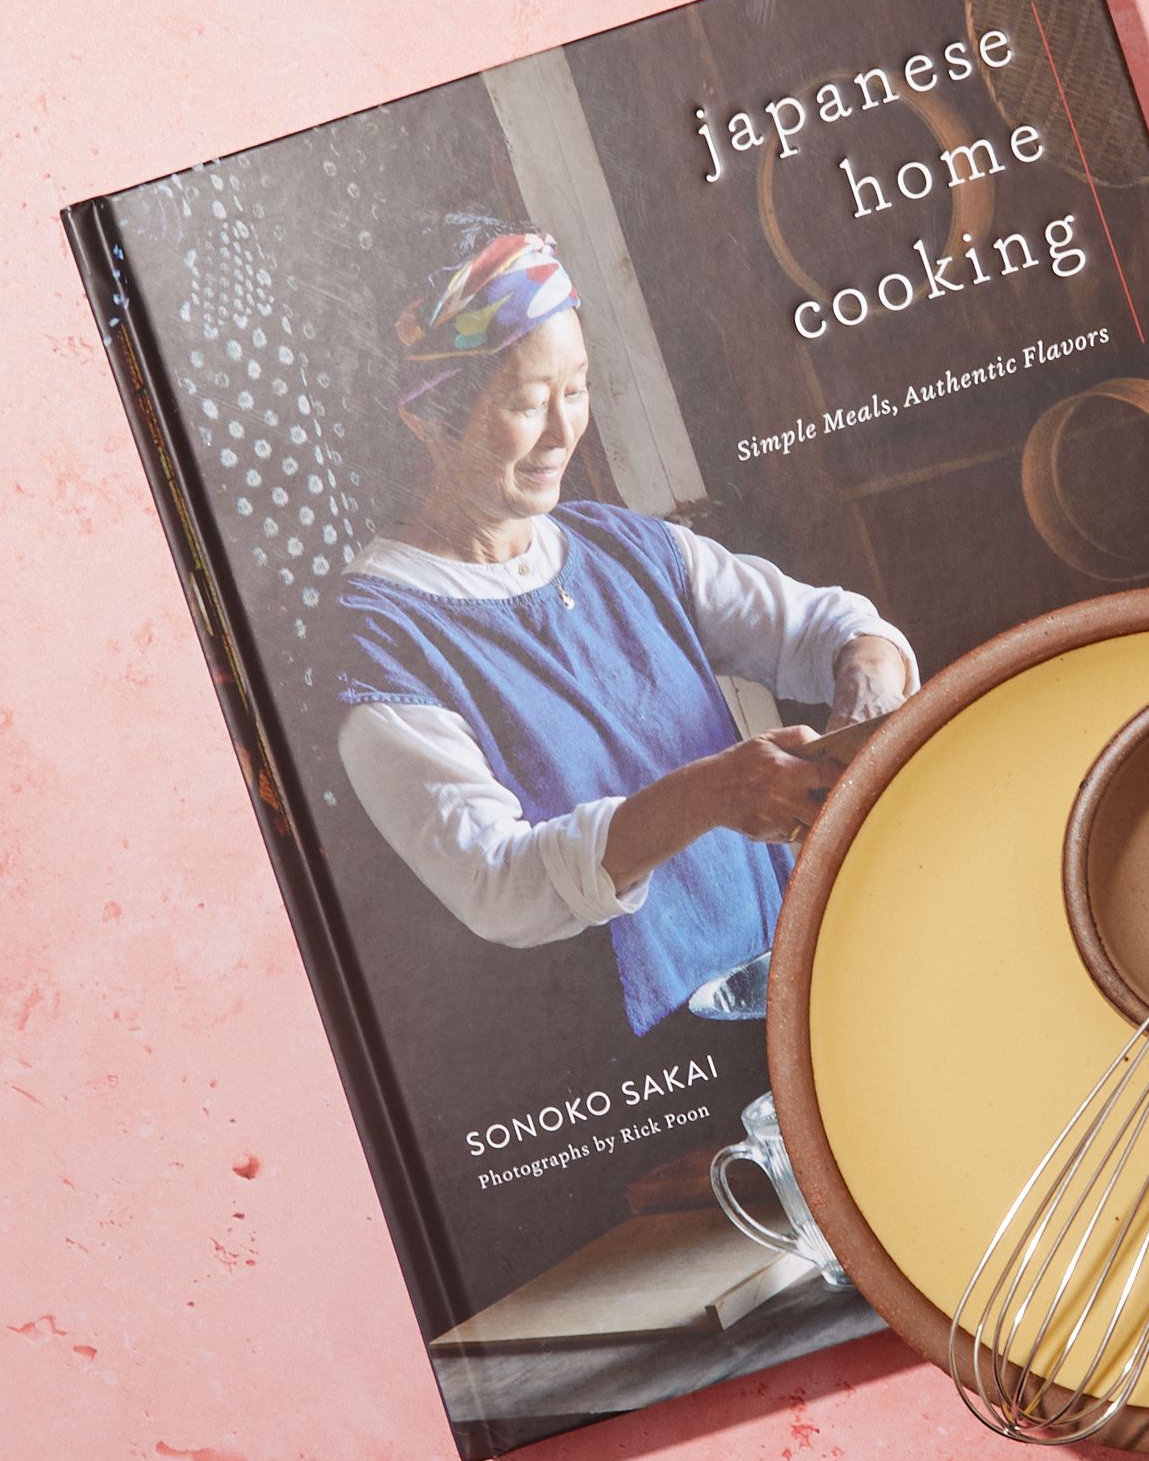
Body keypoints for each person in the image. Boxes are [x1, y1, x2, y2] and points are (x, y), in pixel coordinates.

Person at [332, 230, 918, 1037]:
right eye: (527, 402)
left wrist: (866, 710)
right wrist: (716, 791)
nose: (562, 429)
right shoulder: (381, 645)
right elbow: (498, 885)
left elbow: (836, 627)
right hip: (633, 1066)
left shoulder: (621, 546)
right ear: (429, 416)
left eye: (576, 390)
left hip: (792, 986)